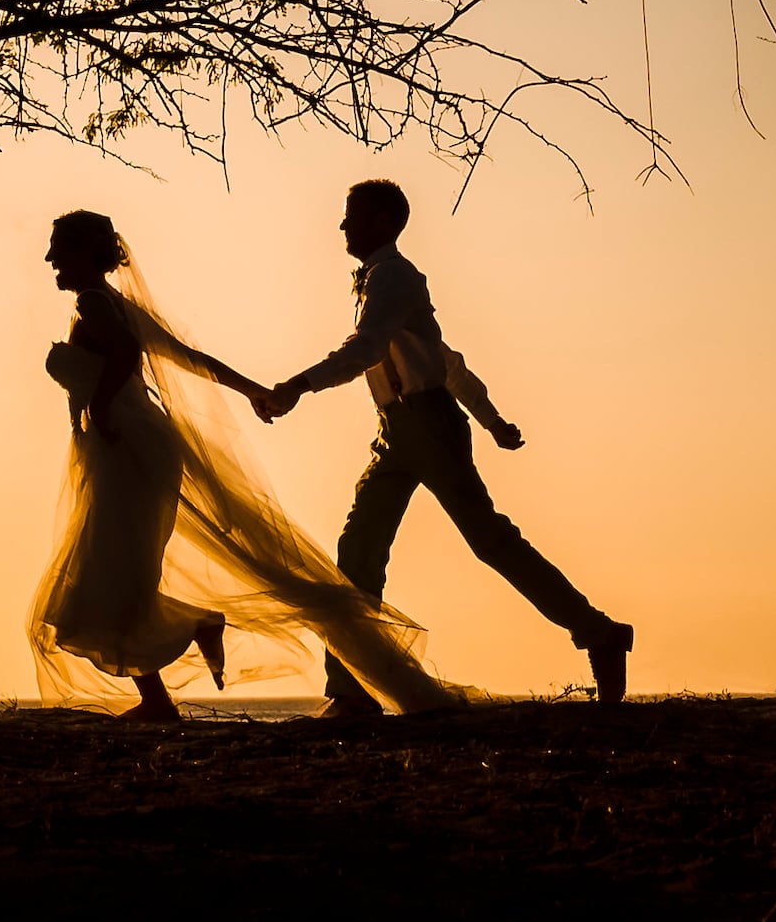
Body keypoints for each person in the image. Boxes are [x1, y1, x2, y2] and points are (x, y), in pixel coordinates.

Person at [32, 208, 462, 719]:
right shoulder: (109, 304)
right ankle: (161, 695)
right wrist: (254, 390)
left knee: (103, 581)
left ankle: (183, 652)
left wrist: (100, 406)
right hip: (125, 451)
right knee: (114, 576)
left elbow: (127, 355)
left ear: (85, 253)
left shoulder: (96, 304)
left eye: (60, 247)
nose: (50, 258)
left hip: (126, 452)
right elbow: (191, 358)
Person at [252, 178, 635, 707]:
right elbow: (445, 359)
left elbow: (369, 350)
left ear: (385, 222)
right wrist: (492, 420)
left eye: (353, 215)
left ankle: (600, 633)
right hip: (394, 430)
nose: (343, 225)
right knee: (358, 549)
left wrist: (298, 385)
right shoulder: (379, 281)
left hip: (429, 426)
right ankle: (350, 690)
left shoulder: (395, 277)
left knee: (490, 541)